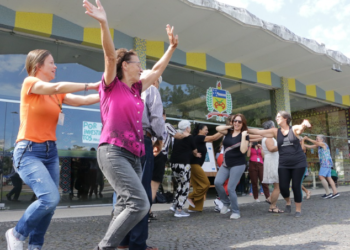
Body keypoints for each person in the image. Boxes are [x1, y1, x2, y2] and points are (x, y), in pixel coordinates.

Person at [83, 0, 178, 249]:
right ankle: (104, 247)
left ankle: (119, 245)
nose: (141, 68)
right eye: (137, 63)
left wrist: (171, 48)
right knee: (140, 202)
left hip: (135, 155)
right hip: (113, 151)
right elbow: (108, 54)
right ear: (125, 65)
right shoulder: (111, 85)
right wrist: (104, 23)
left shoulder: (137, 89)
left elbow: (156, 70)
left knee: (125, 204)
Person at [5, 47, 100, 249]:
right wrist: (91, 84)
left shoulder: (57, 94)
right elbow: (57, 88)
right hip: (29, 150)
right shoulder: (30, 83)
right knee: (50, 198)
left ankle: (35, 246)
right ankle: (16, 233)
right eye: (51, 63)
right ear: (38, 65)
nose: (55, 66)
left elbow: (83, 101)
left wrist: (107, 93)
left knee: (50, 205)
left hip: (50, 152)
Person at [118, 70, 165, 250]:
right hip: (140, 141)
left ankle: (122, 241)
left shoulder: (123, 89)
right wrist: (161, 138)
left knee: (125, 194)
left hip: (120, 141)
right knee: (142, 194)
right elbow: (156, 119)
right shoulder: (151, 90)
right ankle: (137, 244)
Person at [248, 111, 311, 218]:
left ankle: (298, 210)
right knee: (283, 187)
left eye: (278, 117)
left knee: (296, 186)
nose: (276, 118)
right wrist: (245, 128)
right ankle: (288, 201)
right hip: (283, 164)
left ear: (285, 118)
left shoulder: (293, 128)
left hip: (298, 163)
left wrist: (304, 123)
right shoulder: (275, 131)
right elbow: (260, 132)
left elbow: (300, 129)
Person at [150, 109, 184, 218]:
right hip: (160, 155)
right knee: (154, 185)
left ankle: (147, 211)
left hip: (149, 154)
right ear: (163, 115)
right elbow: (178, 136)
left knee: (145, 183)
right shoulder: (167, 125)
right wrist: (186, 134)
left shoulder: (149, 125)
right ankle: (147, 212)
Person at [214, 113, 249, 220]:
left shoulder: (245, 135)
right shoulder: (228, 132)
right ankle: (225, 202)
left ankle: (236, 211)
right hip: (226, 164)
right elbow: (217, 127)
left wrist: (243, 135)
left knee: (231, 188)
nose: (237, 123)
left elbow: (243, 150)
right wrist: (231, 127)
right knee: (217, 182)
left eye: (239, 121)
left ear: (243, 123)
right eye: (235, 121)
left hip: (238, 164)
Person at [169, 120, 201, 217]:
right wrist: (196, 154)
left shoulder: (176, 136)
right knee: (185, 186)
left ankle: (175, 205)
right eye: (189, 126)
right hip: (183, 163)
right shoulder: (190, 137)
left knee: (179, 184)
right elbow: (195, 150)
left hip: (174, 163)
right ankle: (179, 209)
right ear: (187, 128)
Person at [188, 124, 223, 212]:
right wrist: (224, 131)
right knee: (205, 184)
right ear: (200, 130)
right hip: (194, 164)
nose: (207, 131)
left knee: (198, 186)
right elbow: (214, 138)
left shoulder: (198, 138)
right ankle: (189, 197)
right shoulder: (199, 137)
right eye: (205, 130)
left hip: (196, 164)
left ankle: (195, 208)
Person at [304, 135, 340, 199]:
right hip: (328, 163)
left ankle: (328, 193)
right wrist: (302, 143)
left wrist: (308, 139)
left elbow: (315, 143)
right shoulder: (320, 145)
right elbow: (310, 146)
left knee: (321, 176)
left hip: (325, 163)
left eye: (317, 139)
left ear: (322, 140)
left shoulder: (323, 144)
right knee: (329, 178)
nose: (316, 140)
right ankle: (335, 192)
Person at [260, 120, 283, 213]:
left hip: (271, 161)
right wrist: (283, 144)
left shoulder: (266, 137)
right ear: (272, 128)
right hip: (273, 162)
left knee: (277, 185)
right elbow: (271, 149)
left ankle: (270, 199)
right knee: (277, 186)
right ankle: (272, 206)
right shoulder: (269, 137)